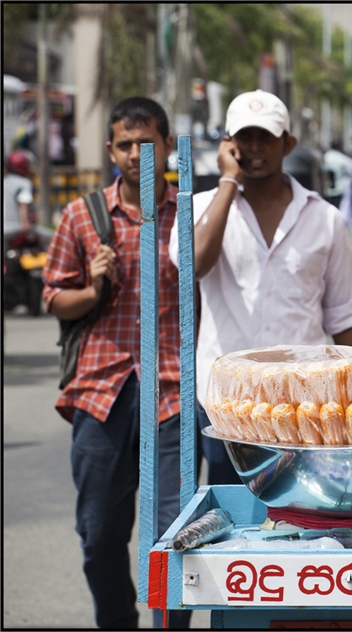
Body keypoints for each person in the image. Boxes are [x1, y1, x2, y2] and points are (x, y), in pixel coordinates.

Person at [42, 97, 191, 630]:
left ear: (167, 146)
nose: (135, 154)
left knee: (174, 535)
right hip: (102, 391)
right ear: (110, 150)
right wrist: (93, 287)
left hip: (173, 391)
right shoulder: (83, 215)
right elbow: (55, 298)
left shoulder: (189, 215)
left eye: (145, 143)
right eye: (125, 144)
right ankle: (117, 622)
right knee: (99, 532)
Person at [169, 89, 352, 486]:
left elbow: (343, 314)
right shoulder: (201, 208)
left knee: (303, 513)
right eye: (245, 137)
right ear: (228, 144)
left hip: (305, 404)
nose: (255, 147)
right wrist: (228, 181)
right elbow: (194, 266)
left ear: (287, 144)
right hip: (226, 404)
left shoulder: (324, 219)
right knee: (232, 512)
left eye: (266, 137)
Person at [3, 150, 35, 251]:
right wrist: (26, 225)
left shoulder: (4, 182)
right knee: (49, 237)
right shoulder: (24, 183)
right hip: (15, 228)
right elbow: (22, 205)